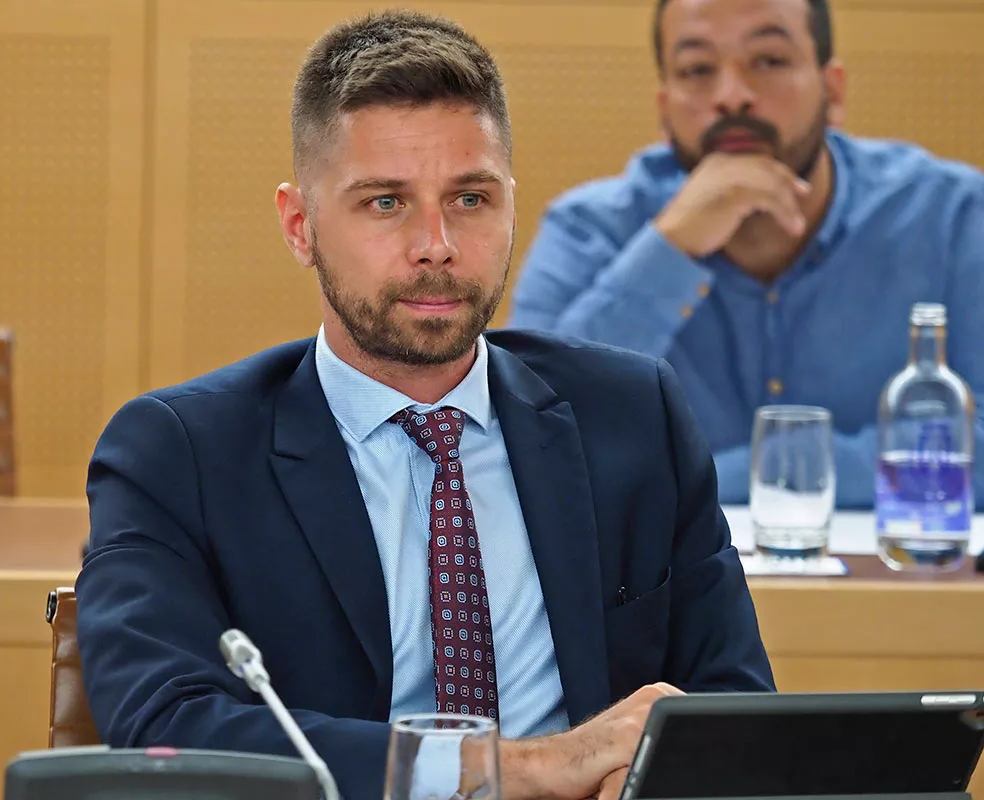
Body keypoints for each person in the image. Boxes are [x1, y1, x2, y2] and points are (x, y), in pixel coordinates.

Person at [76, 10, 773, 800]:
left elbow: (735, 711)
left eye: (470, 199)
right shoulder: (180, 454)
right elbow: (169, 725)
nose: (436, 244)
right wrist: (532, 768)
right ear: (300, 226)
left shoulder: (633, 416)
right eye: (385, 203)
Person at [508, 0, 984, 507]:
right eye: (697, 69)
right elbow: (525, 432)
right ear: (665, 109)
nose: (732, 96)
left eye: (770, 60)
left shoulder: (950, 216)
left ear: (834, 90)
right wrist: (671, 247)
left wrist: (722, 477)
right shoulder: (589, 229)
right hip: (658, 586)